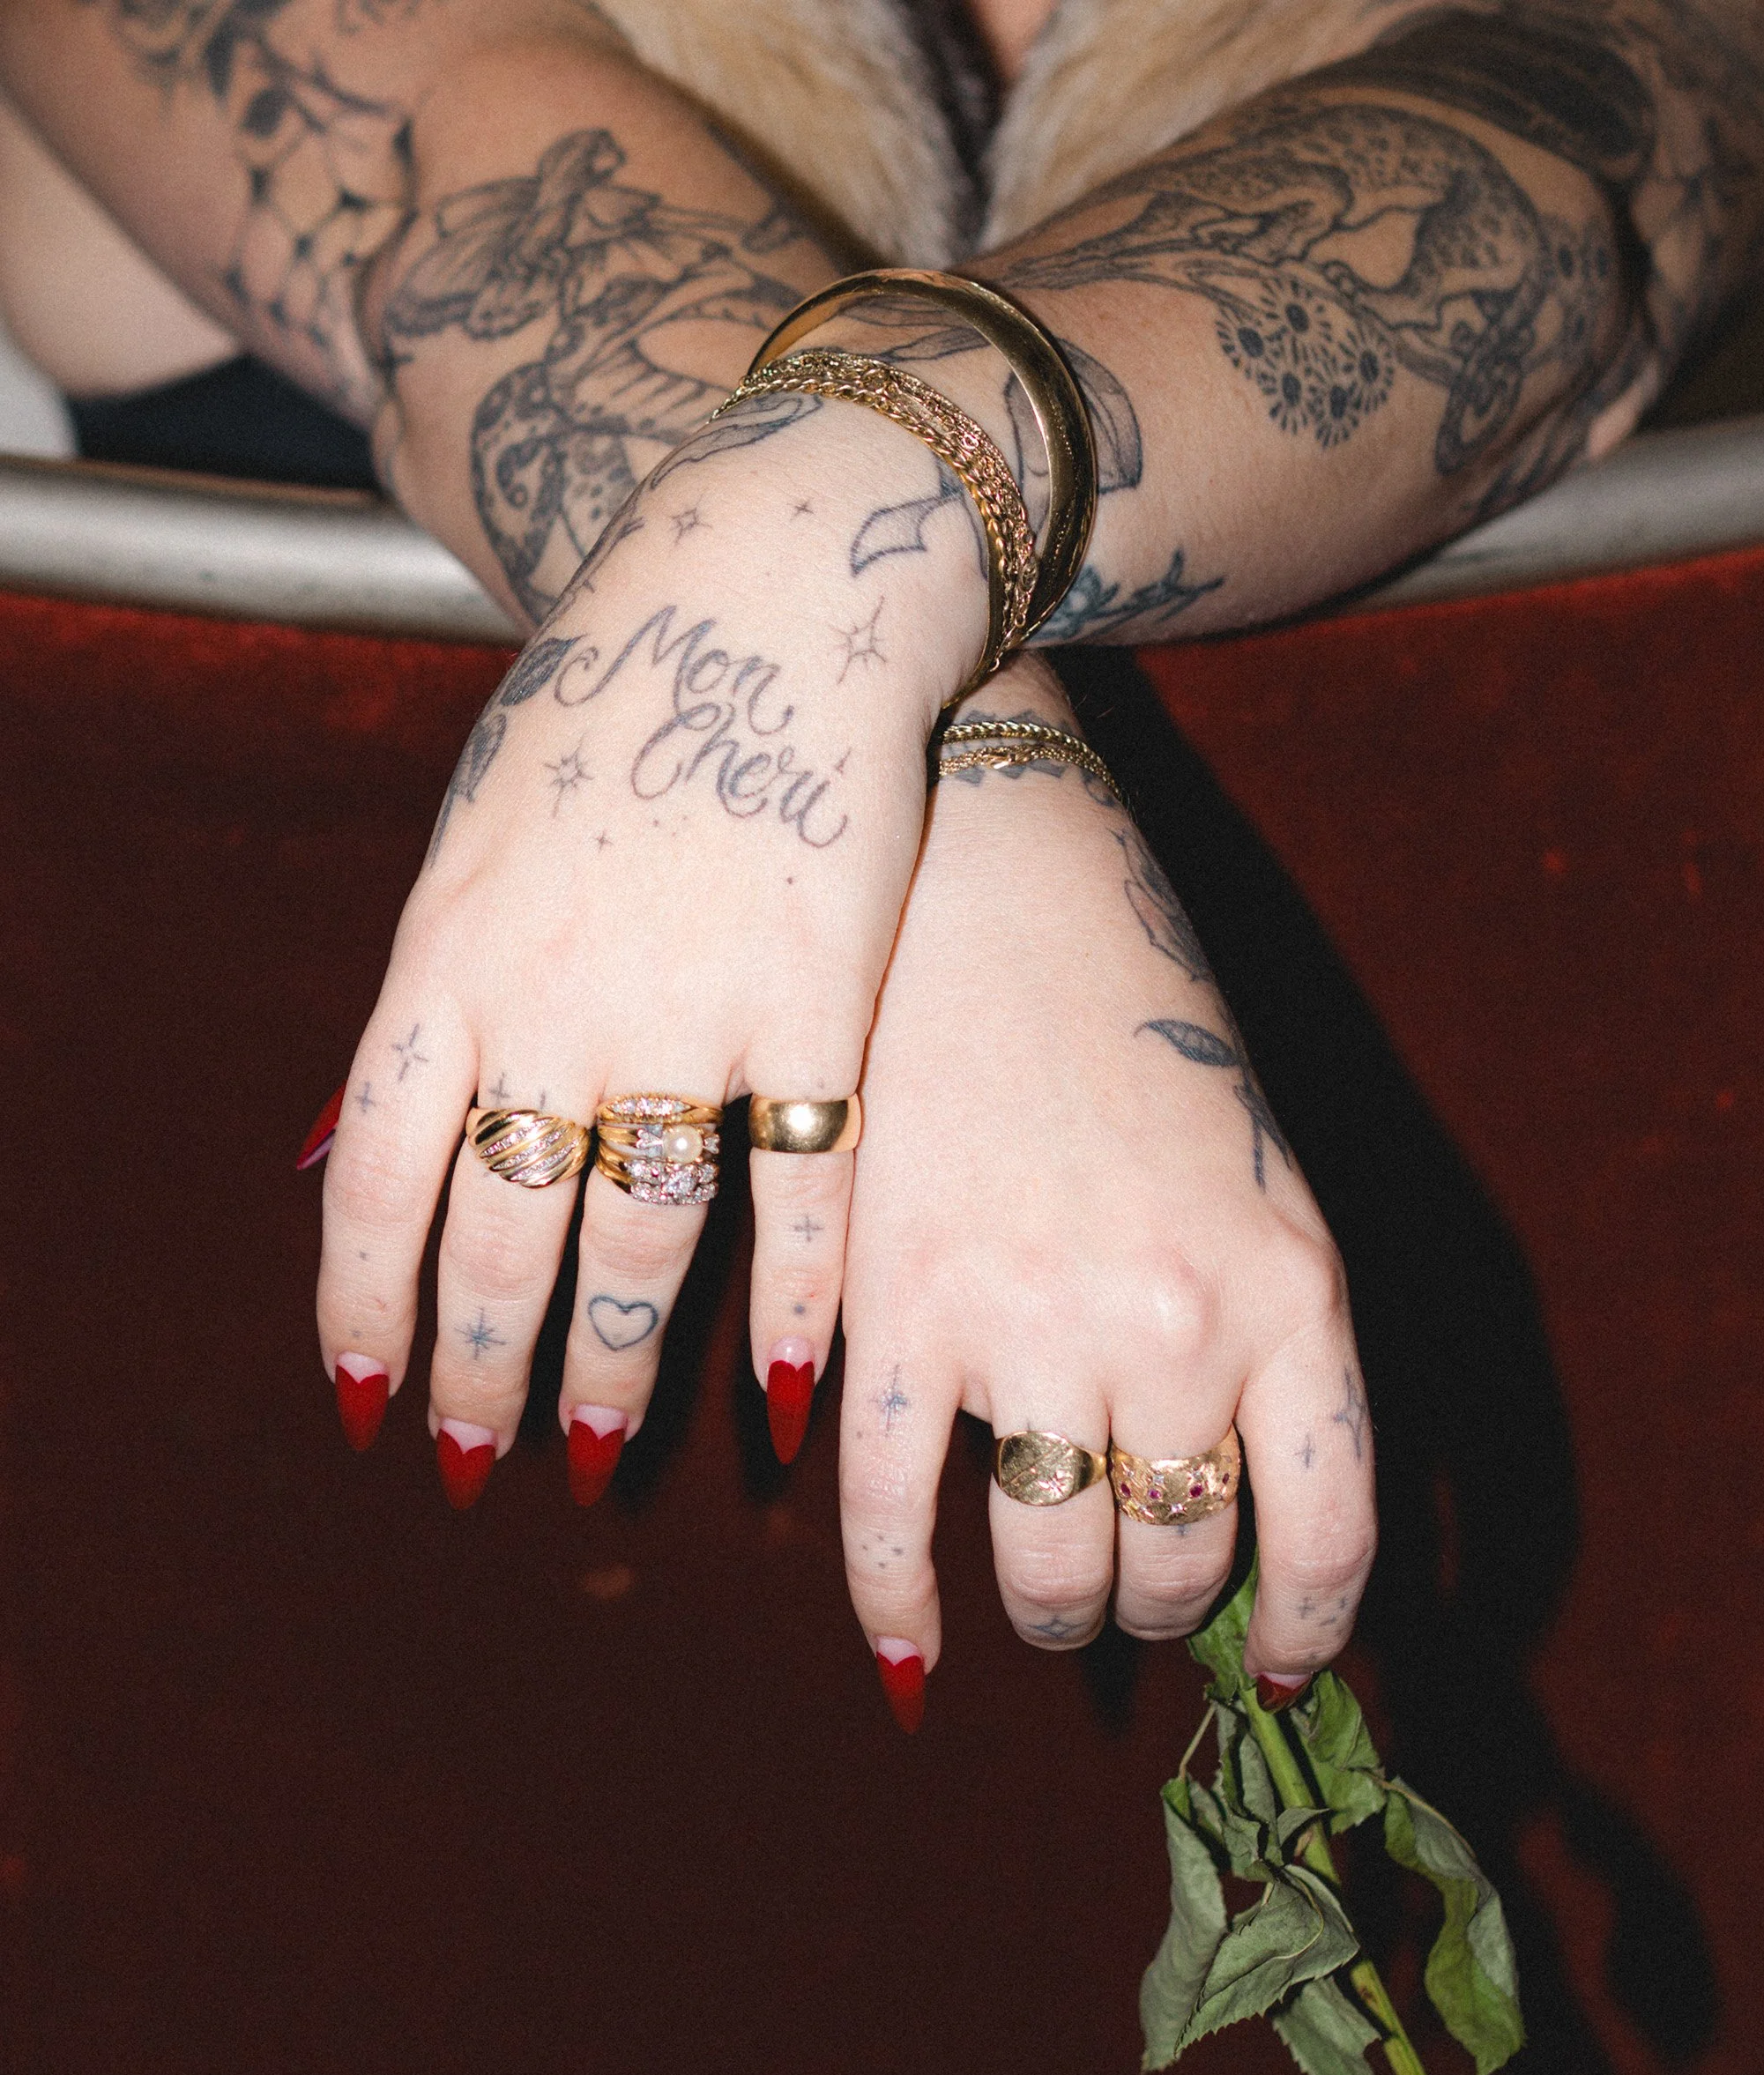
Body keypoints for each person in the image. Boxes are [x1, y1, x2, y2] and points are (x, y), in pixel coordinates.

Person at [1, 3, 1758, 1731]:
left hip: (1470, 1561)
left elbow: (1553, 183)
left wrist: (838, 539)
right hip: (313, 1606)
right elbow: (468, 187)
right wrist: (965, 806)